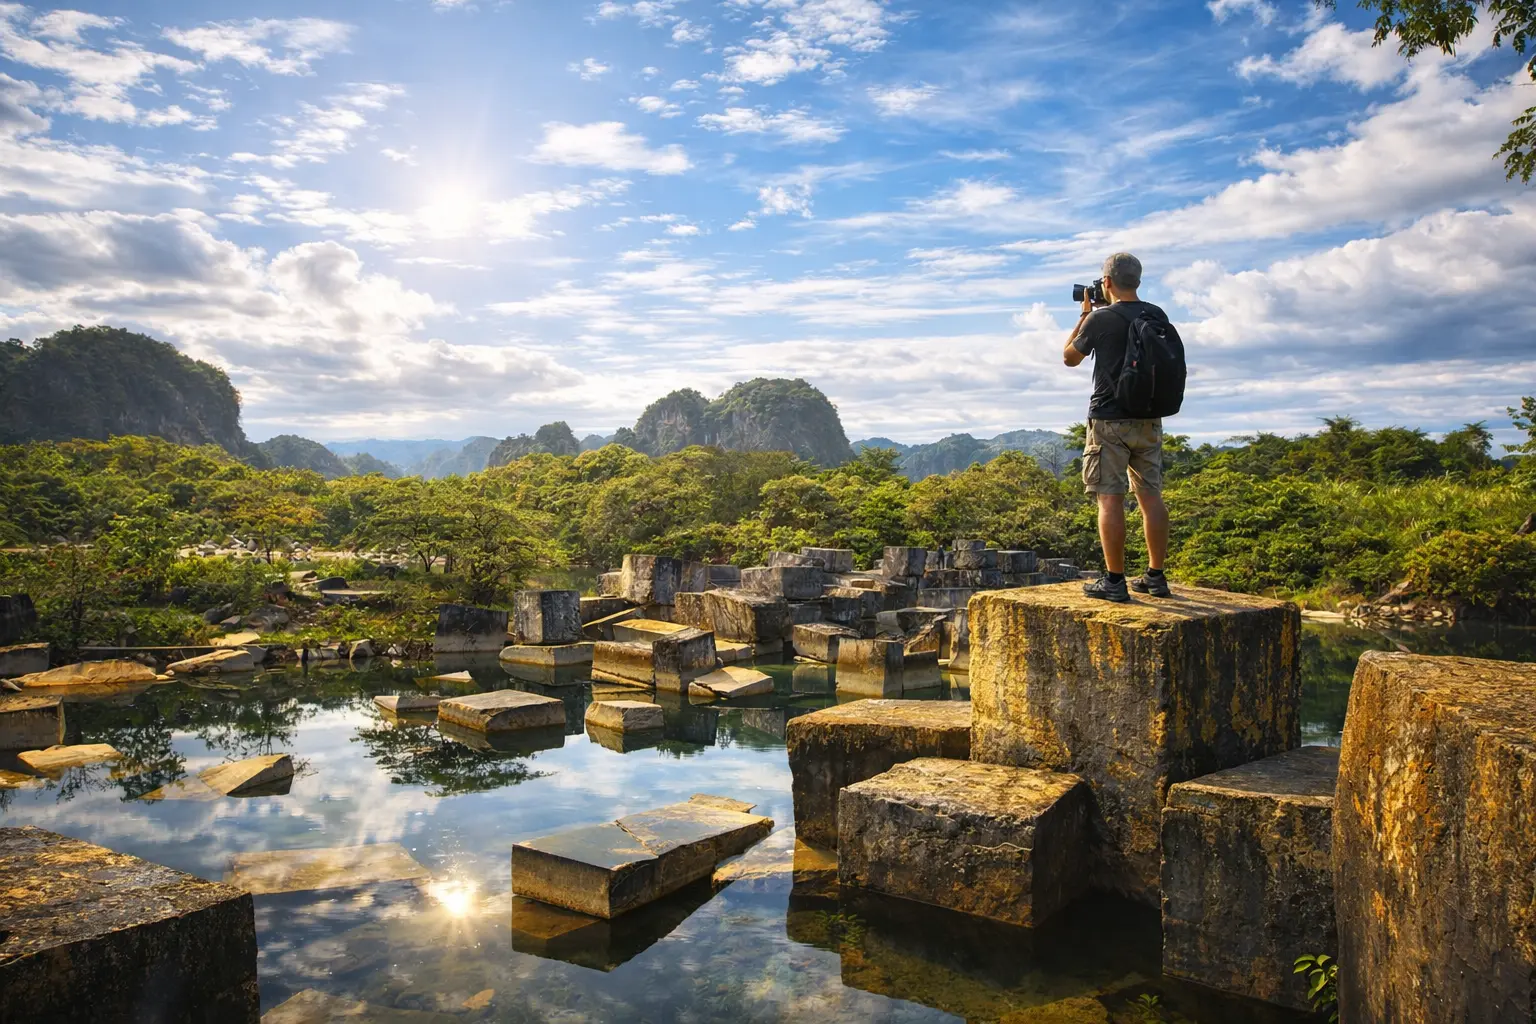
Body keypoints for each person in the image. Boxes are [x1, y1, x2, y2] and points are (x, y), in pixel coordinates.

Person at [1062, 252, 1170, 603]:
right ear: (1137, 281)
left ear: (1106, 282)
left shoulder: (1101, 319)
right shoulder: (1156, 315)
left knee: (1109, 498)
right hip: (1150, 418)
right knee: (1150, 496)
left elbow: (1069, 358)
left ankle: (1114, 581)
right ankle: (1155, 577)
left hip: (1109, 420)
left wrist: (1084, 316)